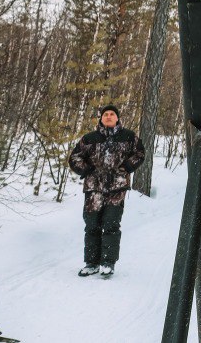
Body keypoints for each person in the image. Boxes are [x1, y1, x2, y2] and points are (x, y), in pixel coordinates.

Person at [68, 105, 145, 279]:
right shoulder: (89, 138)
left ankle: (107, 263)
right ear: (101, 118)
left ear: (117, 118)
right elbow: (74, 158)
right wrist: (87, 170)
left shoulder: (129, 137)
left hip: (117, 188)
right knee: (92, 225)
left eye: (112, 114)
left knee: (111, 224)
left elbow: (140, 153)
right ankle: (91, 263)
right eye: (105, 114)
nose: (109, 116)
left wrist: (126, 167)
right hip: (93, 188)